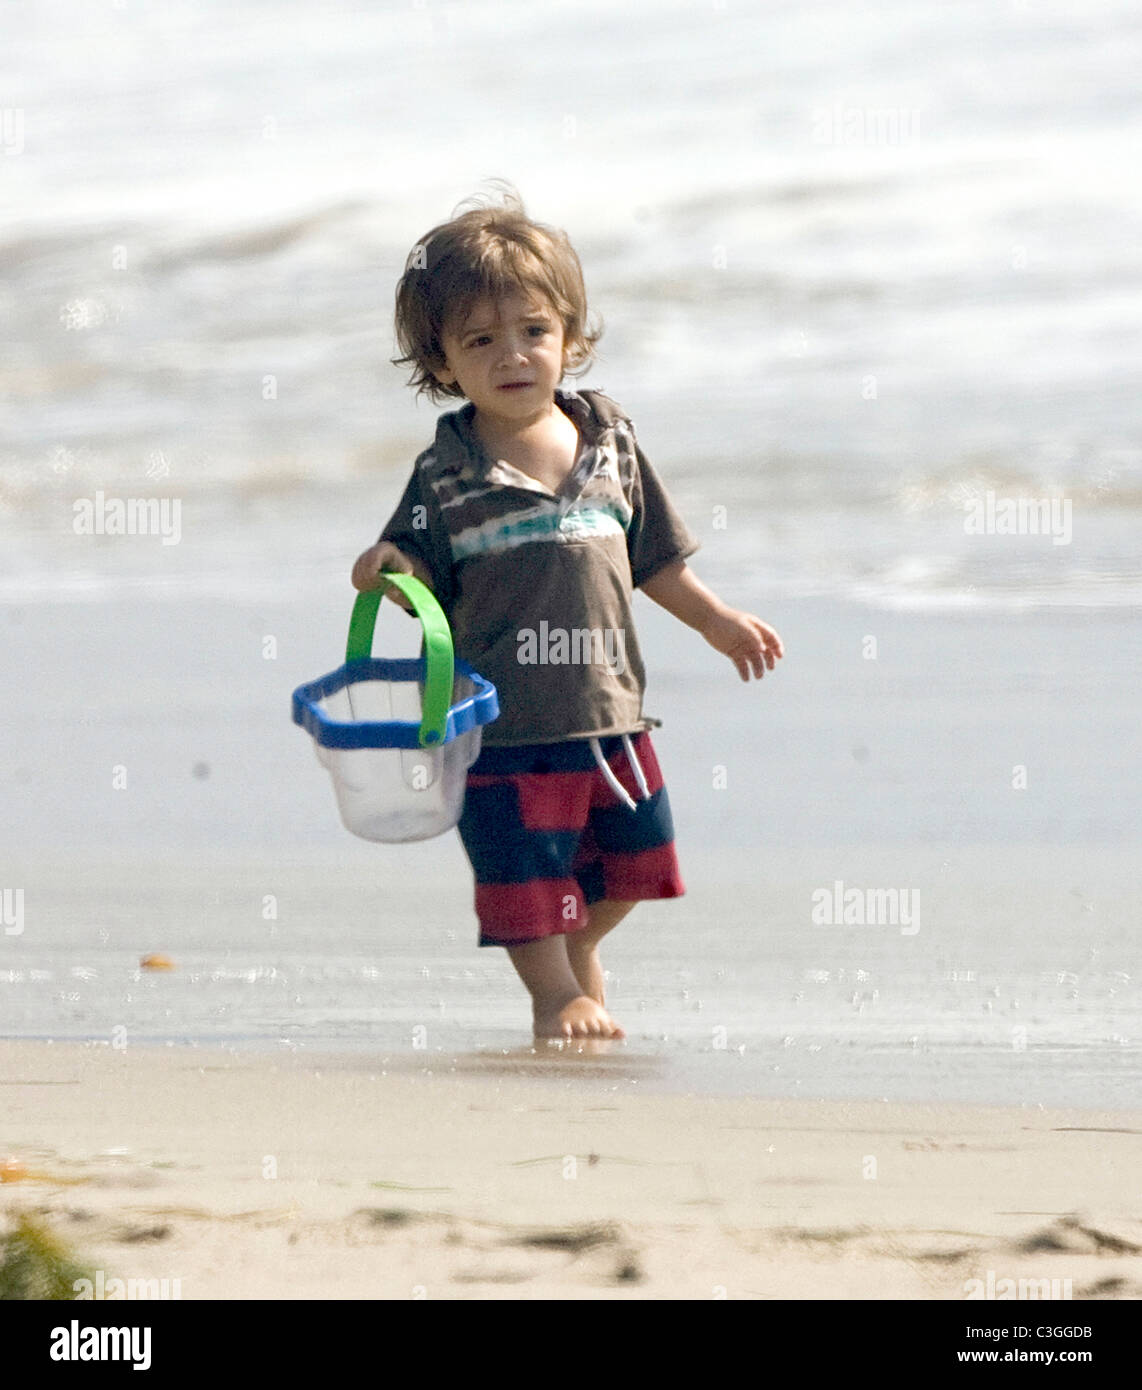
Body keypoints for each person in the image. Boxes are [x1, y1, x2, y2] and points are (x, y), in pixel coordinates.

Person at [352, 184, 783, 1042]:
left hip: (610, 710)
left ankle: (578, 954)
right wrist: (385, 566)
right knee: (522, 873)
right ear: (442, 365)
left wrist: (716, 620)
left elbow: (655, 554)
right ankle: (557, 995)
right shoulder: (448, 473)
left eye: (534, 332)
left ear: (572, 338)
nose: (513, 356)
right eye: (481, 341)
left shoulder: (610, 441)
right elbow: (412, 566)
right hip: (504, 720)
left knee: (638, 861)